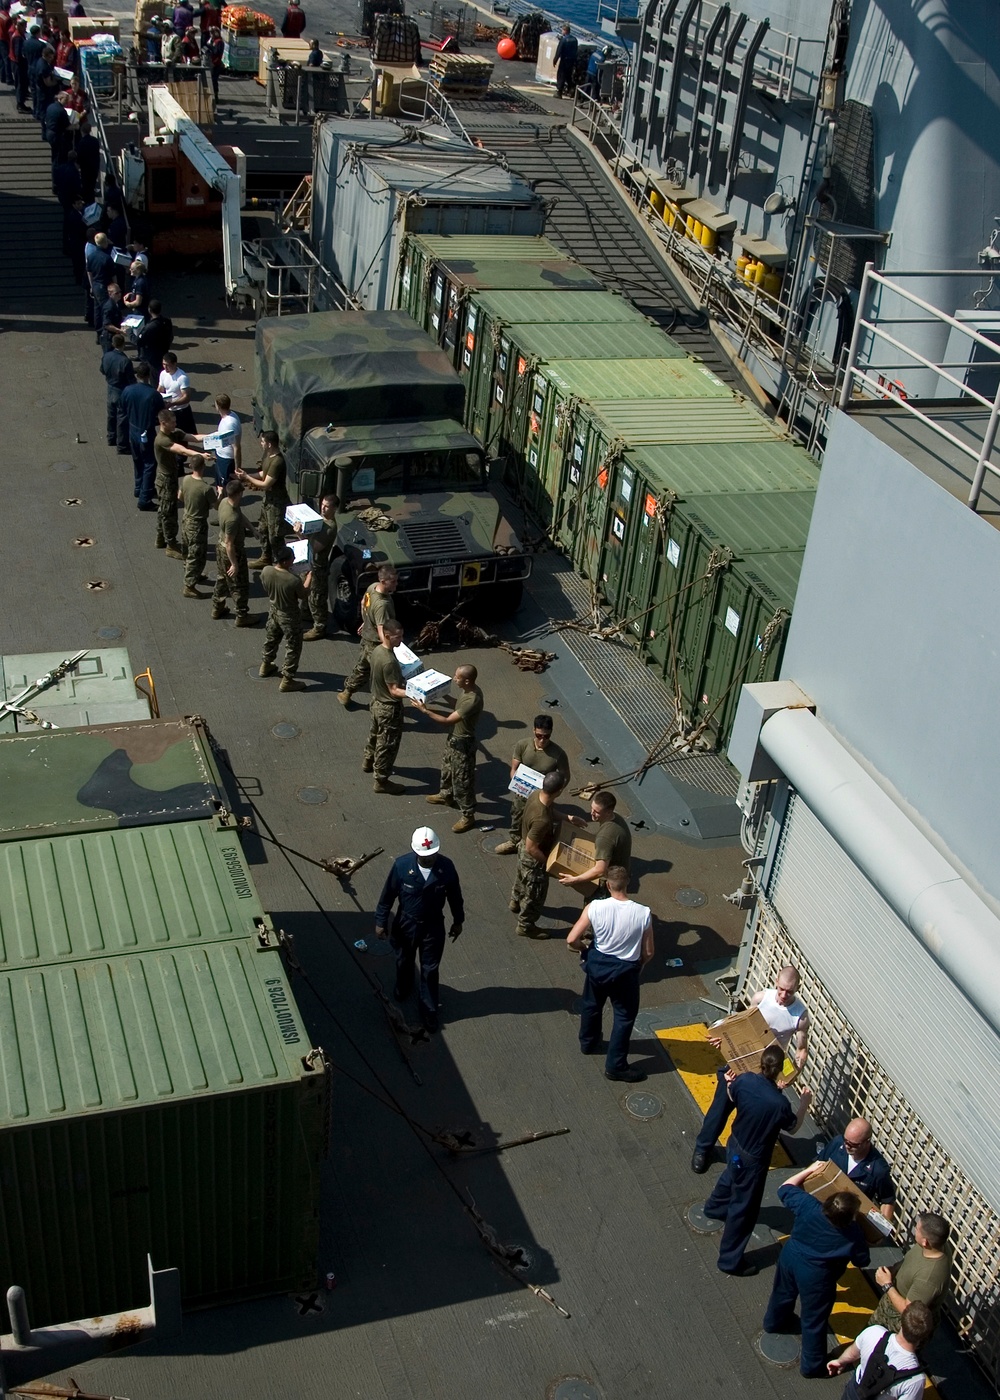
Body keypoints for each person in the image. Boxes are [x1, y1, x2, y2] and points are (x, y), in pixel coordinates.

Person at [702, 1045, 814, 1276]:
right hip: (754, 1158)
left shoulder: (746, 1081)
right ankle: (729, 1261)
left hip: (735, 1144)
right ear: (780, 1070)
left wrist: (731, 1083)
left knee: (730, 1176)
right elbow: (792, 1127)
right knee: (744, 1209)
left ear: (761, 1063)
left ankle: (714, 1207)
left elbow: (733, 1094)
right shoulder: (780, 1104)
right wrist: (804, 1104)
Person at [691, 963, 810, 1173]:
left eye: (789, 991)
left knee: (755, 1118)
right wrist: (723, 1043)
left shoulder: (800, 1016)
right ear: (776, 983)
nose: (783, 995)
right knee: (719, 1110)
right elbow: (738, 1027)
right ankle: (703, 1149)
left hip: (770, 1073)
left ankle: (740, 1155)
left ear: (797, 989)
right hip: (741, 1064)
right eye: (781, 989)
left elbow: (801, 1051)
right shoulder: (760, 999)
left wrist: (791, 1075)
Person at [762, 1164, 871, 1377]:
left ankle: (774, 1322)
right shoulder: (851, 1233)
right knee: (814, 1320)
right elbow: (862, 1260)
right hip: (817, 1276)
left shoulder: (809, 1206)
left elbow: (785, 1187)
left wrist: (811, 1169)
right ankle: (811, 1366)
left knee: (782, 1293)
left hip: (791, 1256)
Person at [568, 865, 654, 1082]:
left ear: (607, 884)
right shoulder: (643, 913)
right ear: (628, 883)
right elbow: (649, 951)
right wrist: (640, 966)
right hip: (625, 972)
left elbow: (571, 939)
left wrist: (585, 950)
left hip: (598, 968)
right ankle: (616, 1066)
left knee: (591, 1005)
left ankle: (588, 1043)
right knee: (623, 1017)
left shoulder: (595, 907)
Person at [375, 827, 464, 1034]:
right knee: (404, 959)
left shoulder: (446, 867)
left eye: (432, 854)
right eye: (425, 855)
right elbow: (387, 895)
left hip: (433, 926)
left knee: (430, 969)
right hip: (406, 923)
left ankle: (429, 1010)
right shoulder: (401, 866)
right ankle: (404, 985)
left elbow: (455, 897)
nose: (429, 858)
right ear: (415, 852)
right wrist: (381, 921)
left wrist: (458, 921)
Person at [417, 665, 484, 834]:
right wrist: (443, 694)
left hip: (463, 744)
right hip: (454, 739)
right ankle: (446, 794)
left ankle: (468, 815)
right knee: (447, 768)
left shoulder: (472, 699)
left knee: (462, 780)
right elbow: (457, 705)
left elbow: (448, 720)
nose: (454, 679)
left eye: (457, 677)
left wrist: (425, 711)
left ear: (466, 680)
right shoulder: (466, 691)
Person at [494, 714, 570, 855]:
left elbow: (565, 777)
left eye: (546, 736)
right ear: (534, 730)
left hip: (543, 796)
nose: (542, 740)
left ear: (551, 732)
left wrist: (554, 794)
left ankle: (537, 847)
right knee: (517, 816)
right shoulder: (523, 745)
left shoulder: (558, 754)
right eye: (539, 735)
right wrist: (516, 784)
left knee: (541, 823)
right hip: (522, 793)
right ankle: (514, 841)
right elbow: (514, 769)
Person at [826, 1303, 935, 1399]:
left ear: (901, 1321)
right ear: (925, 1336)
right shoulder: (915, 1379)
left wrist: (840, 1361)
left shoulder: (875, 1332)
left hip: (854, 1391)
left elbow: (853, 1352)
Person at [870, 1213, 951, 1333]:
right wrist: (894, 1269)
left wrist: (886, 1284)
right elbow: (910, 1260)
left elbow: (909, 1310)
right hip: (892, 1300)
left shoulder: (928, 1278)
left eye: (917, 1229)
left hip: (900, 1321)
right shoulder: (935, 1246)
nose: (915, 1229)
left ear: (925, 1242)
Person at [510, 769, 565, 938]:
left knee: (521, 878)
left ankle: (515, 901)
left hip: (523, 851)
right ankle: (526, 926)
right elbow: (531, 847)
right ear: (560, 791)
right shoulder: (542, 820)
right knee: (534, 894)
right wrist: (548, 864)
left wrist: (567, 818)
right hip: (534, 859)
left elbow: (550, 811)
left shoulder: (536, 795)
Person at [336, 564, 397, 706]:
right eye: (393, 581)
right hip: (375, 643)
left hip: (367, 636)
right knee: (381, 674)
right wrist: (388, 650)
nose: (396, 584)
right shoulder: (383, 605)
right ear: (383, 581)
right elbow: (382, 630)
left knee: (363, 667)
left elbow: (364, 602)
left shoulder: (372, 587)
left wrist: (367, 620)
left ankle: (347, 692)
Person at [819, 1119, 897, 1224]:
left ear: (867, 1142)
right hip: (822, 1206)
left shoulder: (878, 1170)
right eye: (845, 1140)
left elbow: (887, 1201)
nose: (847, 1146)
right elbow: (818, 1166)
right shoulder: (838, 1143)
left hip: (849, 1221)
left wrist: (880, 1231)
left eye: (853, 1144)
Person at [363, 619, 408, 792]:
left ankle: (368, 759)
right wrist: (416, 693)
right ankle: (381, 780)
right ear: (388, 636)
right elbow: (394, 691)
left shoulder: (377, 651)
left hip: (376, 702)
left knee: (374, 734)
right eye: (398, 637)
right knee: (387, 744)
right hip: (389, 708)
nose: (401, 640)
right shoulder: (389, 661)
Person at [154, 408, 204, 557]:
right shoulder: (162, 440)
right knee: (169, 512)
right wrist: (200, 455)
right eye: (173, 422)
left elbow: (193, 438)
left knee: (163, 510)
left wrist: (215, 436)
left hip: (169, 478)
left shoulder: (173, 432)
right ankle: (171, 545)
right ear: (164, 423)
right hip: (166, 480)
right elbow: (181, 450)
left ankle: (161, 538)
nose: (176, 423)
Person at [559, 789, 631, 891]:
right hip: (622, 870)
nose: (592, 813)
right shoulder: (617, 819)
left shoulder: (605, 837)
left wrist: (574, 880)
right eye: (591, 808)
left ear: (608, 812)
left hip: (610, 881)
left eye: (597, 812)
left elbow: (600, 871)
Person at [259, 546, 308, 692]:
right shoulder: (293, 580)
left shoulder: (266, 571)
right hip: (289, 616)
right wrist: (309, 577)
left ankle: (266, 664)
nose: (294, 560)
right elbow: (303, 594)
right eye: (292, 558)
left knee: (271, 639)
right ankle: (287, 680)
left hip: (274, 610)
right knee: (293, 647)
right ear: (286, 562)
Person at [238, 430, 289, 567]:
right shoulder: (269, 456)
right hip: (268, 501)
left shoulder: (278, 462)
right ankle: (266, 557)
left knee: (275, 536)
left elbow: (266, 484)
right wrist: (246, 476)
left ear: (269, 444)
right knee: (263, 530)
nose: (261, 443)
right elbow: (263, 473)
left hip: (277, 504)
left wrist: (247, 478)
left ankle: (281, 563)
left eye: (263, 441)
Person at [212, 477, 258, 626]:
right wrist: (234, 564)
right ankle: (242, 615)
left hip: (220, 549)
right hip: (232, 552)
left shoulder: (226, 502)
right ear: (239, 494)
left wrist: (252, 528)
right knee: (240, 585)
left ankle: (217, 608)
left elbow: (240, 515)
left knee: (222, 579)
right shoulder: (231, 518)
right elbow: (229, 543)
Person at [118, 361, 164, 508]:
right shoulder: (153, 394)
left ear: (137, 375)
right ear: (149, 375)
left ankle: (139, 488)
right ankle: (145, 498)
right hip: (146, 431)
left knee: (137, 460)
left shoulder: (128, 390)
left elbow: (122, 409)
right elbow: (161, 414)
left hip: (133, 430)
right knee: (150, 463)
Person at [298, 492, 340, 640]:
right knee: (306, 590)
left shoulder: (329, 528)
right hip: (310, 563)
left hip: (318, 566)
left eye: (327, 506)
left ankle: (319, 627)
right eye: (322, 505)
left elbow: (314, 547)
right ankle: (306, 613)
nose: (323, 508)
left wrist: (300, 534)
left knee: (316, 597)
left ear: (334, 508)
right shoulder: (321, 520)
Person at [178, 454, 217, 597]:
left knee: (187, 550)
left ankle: (193, 573)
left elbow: (180, 497)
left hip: (186, 519)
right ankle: (189, 585)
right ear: (203, 467)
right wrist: (219, 495)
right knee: (197, 555)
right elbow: (216, 506)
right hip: (198, 524)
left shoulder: (186, 479)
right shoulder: (206, 488)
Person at [100, 332, 134, 450]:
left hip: (110, 389)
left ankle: (111, 437)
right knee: (122, 418)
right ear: (123, 344)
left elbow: (102, 370)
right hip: (121, 390)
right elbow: (131, 380)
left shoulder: (106, 356)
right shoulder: (125, 361)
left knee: (111, 415)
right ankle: (122, 445)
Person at [198, 393, 241, 486]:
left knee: (225, 485)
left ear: (219, 406)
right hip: (221, 456)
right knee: (220, 484)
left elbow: (236, 447)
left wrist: (237, 469)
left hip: (226, 460)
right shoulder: (230, 416)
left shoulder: (229, 424)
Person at [157, 351, 197, 433]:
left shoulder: (182, 377)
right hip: (169, 410)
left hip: (181, 411)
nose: (165, 367)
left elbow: (186, 397)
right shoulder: (163, 374)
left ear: (175, 364)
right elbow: (160, 389)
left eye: (167, 365)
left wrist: (172, 403)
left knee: (184, 436)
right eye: (163, 364)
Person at [137, 299, 173, 370]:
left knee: (155, 377)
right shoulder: (167, 321)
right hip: (164, 353)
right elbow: (170, 337)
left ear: (149, 310)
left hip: (153, 358)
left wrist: (130, 333)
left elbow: (139, 341)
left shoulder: (150, 327)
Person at [75, 118, 100, 202]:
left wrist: (77, 166)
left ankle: (87, 203)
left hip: (85, 168)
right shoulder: (95, 141)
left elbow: (79, 157)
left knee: (86, 187)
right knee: (92, 186)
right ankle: (91, 202)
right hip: (94, 167)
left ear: (82, 131)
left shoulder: (81, 143)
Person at [97, 280, 125, 354]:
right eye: (116, 293)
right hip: (108, 338)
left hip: (113, 335)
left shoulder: (116, 304)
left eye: (120, 292)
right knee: (109, 357)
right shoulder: (109, 307)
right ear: (110, 294)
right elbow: (107, 325)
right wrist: (120, 330)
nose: (119, 294)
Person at [553, 23, 578, 99]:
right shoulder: (574, 40)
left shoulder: (563, 40)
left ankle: (559, 92)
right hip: (571, 61)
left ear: (565, 31)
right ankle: (572, 90)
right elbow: (576, 50)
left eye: (562, 30)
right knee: (568, 76)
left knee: (561, 76)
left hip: (564, 61)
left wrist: (555, 60)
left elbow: (559, 51)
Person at [11, 18, 30, 111]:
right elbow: (18, 53)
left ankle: (21, 101)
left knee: (20, 83)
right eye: (24, 26)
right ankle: (20, 103)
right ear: (20, 26)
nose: (25, 28)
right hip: (19, 65)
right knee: (20, 84)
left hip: (16, 63)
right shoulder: (18, 37)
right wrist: (24, 58)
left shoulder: (18, 34)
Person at [205, 24, 223, 99]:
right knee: (209, 79)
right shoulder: (212, 41)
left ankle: (215, 95)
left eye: (212, 33)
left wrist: (210, 46)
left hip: (216, 63)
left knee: (214, 80)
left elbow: (216, 52)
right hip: (210, 62)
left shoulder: (219, 42)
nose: (211, 34)